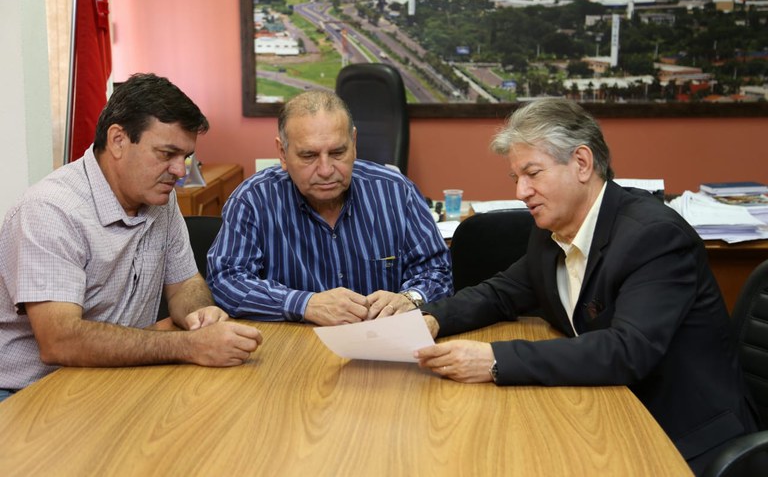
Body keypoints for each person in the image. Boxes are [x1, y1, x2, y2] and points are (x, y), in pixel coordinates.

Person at [411, 98, 758, 474]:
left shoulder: (654, 236)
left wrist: (494, 360)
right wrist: (429, 319)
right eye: (517, 178)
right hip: (610, 410)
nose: (521, 192)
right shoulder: (553, 231)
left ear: (581, 163)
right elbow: (499, 293)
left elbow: (626, 351)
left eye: (533, 174)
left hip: (683, 436)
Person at [0, 73, 263, 401]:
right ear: (118, 140)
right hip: (28, 394)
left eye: (186, 157)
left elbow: (185, 285)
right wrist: (189, 345)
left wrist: (200, 315)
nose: (181, 171)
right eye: (167, 154)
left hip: (112, 378)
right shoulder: (51, 210)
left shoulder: (159, 201)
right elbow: (61, 341)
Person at [207, 90, 452, 326]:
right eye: (308, 156)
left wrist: (410, 299)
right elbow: (225, 280)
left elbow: (438, 272)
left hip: (380, 347)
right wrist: (305, 304)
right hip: (289, 350)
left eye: (337, 152)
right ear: (283, 153)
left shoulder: (396, 193)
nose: (325, 170)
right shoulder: (253, 199)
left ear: (353, 143)